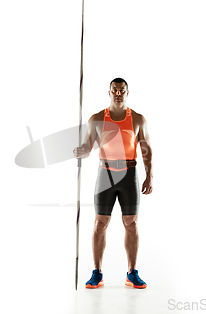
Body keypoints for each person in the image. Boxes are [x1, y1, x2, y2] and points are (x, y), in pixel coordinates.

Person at [73, 77, 153, 289]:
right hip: (105, 175)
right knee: (100, 224)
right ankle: (97, 273)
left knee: (132, 224)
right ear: (109, 92)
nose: (118, 93)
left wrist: (150, 175)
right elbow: (88, 148)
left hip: (129, 174)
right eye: (115, 90)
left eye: (122, 90)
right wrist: (80, 151)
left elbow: (146, 149)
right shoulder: (97, 119)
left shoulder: (138, 119)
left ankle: (132, 273)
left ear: (128, 92)